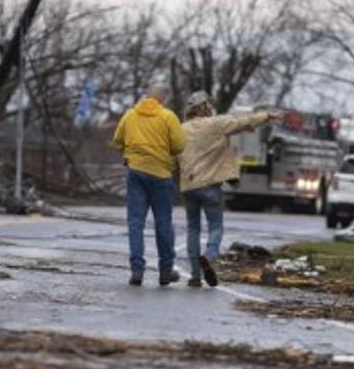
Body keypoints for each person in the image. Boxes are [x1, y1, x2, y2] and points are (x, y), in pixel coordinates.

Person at [178, 91, 283, 287]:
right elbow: (244, 121)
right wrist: (268, 115)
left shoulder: (181, 129)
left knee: (193, 228)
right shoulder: (217, 123)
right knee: (216, 227)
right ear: (206, 107)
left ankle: (194, 275)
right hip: (211, 185)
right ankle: (209, 256)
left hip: (189, 186)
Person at [111, 85, 186, 286]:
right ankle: (165, 271)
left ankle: (137, 270)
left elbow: (117, 142)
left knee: (135, 223)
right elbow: (179, 145)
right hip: (161, 175)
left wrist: (131, 154)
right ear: (163, 98)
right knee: (163, 223)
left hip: (136, 173)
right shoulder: (168, 117)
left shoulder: (129, 115)